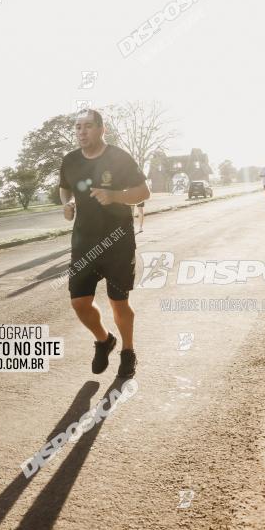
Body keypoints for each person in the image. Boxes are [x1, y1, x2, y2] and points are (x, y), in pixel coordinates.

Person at [59, 109, 149, 379]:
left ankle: (128, 351)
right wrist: (68, 204)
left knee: (118, 302)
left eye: (87, 126)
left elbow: (144, 192)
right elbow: (65, 187)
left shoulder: (119, 157)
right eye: (77, 127)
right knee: (79, 302)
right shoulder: (70, 161)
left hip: (118, 242)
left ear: (101, 129)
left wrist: (116, 196)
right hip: (84, 242)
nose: (81, 132)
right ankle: (104, 339)